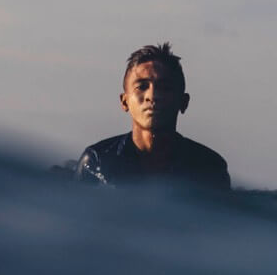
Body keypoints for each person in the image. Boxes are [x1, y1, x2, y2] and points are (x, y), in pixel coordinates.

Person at [75, 42, 230, 190]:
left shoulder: (208, 167)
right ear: (125, 102)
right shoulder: (98, 161)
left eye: (165, 88)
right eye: (141, 86)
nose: (152, 95)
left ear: (183, 102)